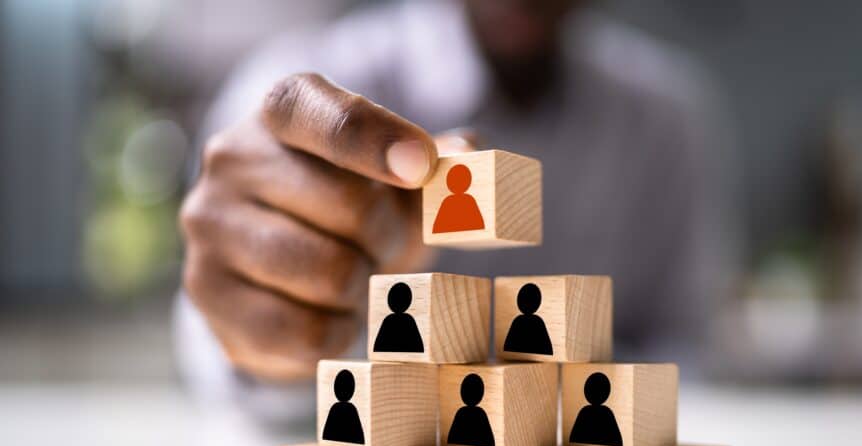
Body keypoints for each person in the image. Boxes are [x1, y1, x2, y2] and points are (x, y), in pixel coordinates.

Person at [175, 0, 737, 420]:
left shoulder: (668, 117)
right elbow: (211, 350)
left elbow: (685, 346)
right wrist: (266, 330)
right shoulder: (310, 73)